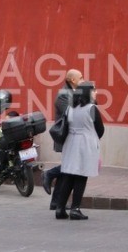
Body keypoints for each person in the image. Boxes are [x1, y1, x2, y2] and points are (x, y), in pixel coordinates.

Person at [53, 83, 104, 221]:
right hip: (86, 143)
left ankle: (60, 208)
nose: (96, 92)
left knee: (69, 175)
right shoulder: (91, 108)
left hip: (70, 142)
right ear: (88, 93)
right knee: (82, 175)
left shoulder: (70, 108)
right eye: (93, 90)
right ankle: (75, 208)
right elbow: (100, 129)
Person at [43, 69, 83, 205]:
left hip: (73, 136)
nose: (83, 80)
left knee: (68, 168)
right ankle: (50, 173)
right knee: (70, 166)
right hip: (66, 136)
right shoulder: (64, 95)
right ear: (73, 80)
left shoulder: (74, 92)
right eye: (80, 78)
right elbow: (71, 115)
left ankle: (56, 202)